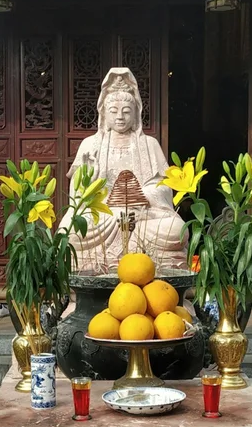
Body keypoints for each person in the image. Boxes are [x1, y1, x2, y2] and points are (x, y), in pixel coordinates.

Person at [66, 68, 186, 273]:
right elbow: (76, 198)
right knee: (70, 231)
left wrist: (139, 200)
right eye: (113, 111)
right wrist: (89, 177)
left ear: (136, 113)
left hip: (143, 215)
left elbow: (165, 190)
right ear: (103, 112)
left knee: (177, 231)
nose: (120, 117)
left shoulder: (150, 144)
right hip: (102, 216)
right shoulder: (90, 144)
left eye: (126, 111)